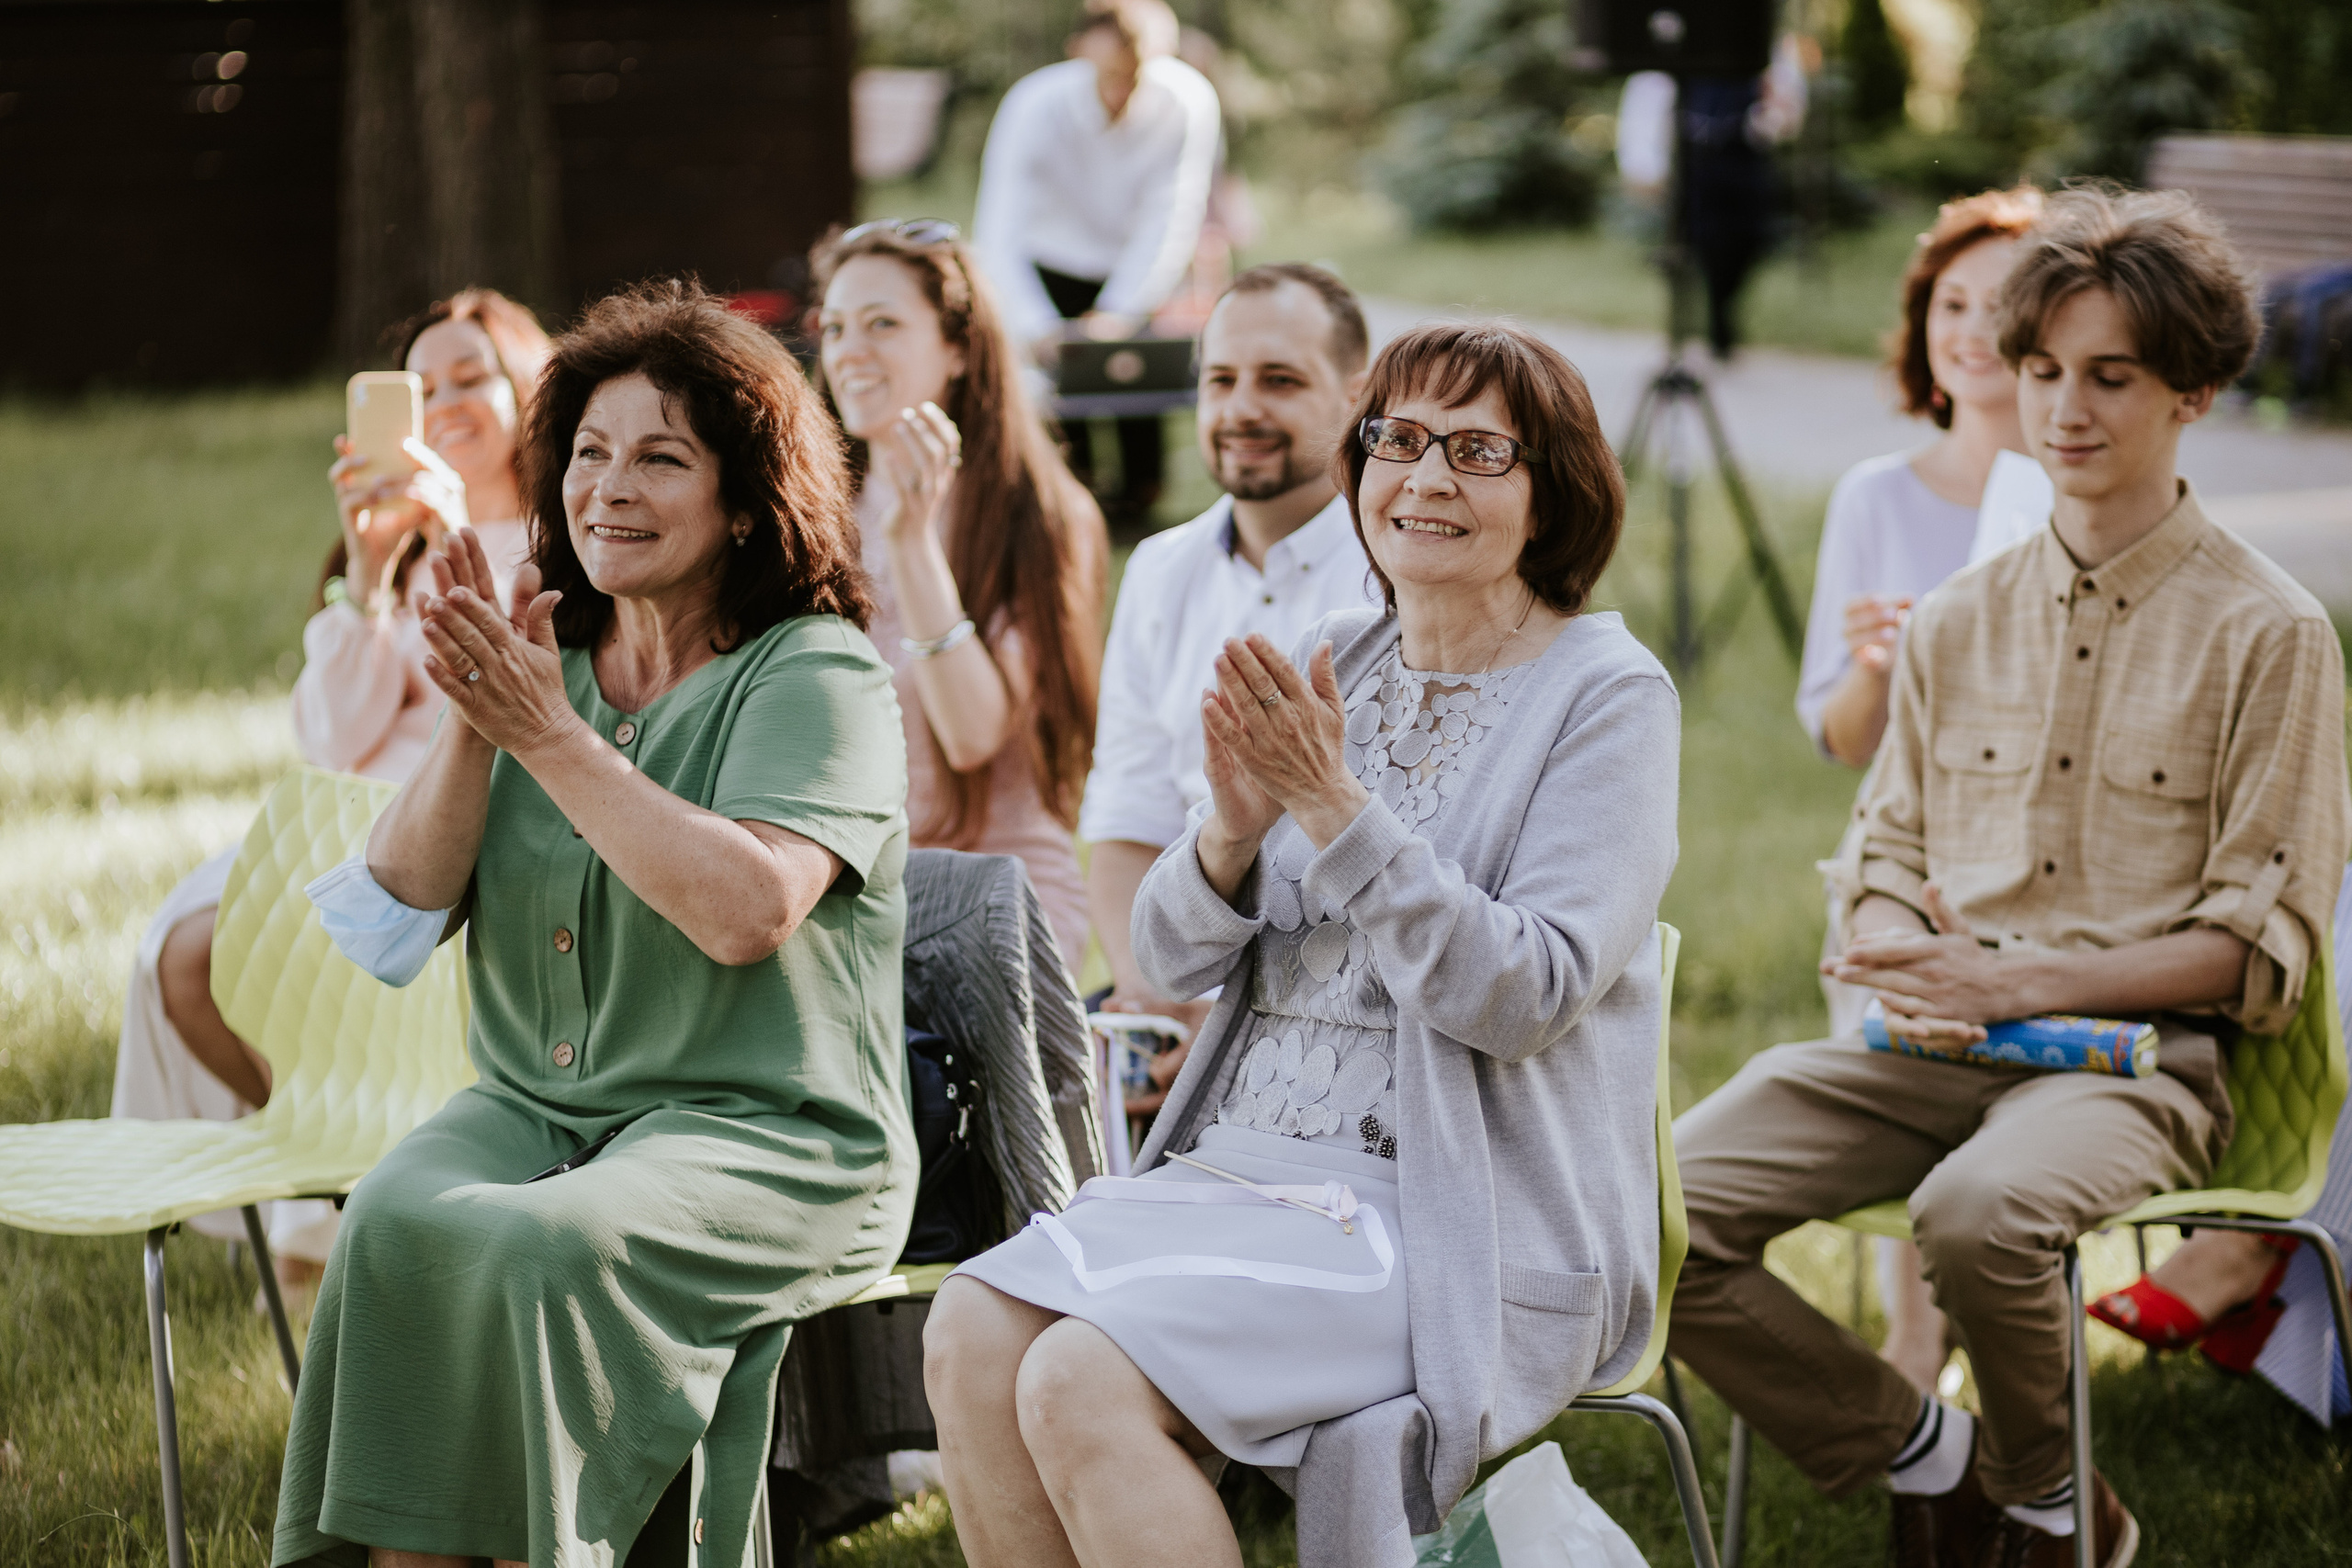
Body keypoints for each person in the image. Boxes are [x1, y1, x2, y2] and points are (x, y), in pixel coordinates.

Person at [924, 321, 1681, 1567]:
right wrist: (1230, 827)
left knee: (1079, 1374)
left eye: (1481, 450)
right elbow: (1165, 954)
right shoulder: (1337, 655)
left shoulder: (1606, 693)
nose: (1428, 478)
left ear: (1553, 493)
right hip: (1239, 1174)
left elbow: (1526, 993)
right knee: (971, 1323)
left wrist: (1335, 808)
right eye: (1399, 440)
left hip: (1451, 1214)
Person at [1668, 186, 2351, 1568]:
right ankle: (1942, 1455)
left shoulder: (2272, 632)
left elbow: (2256, 941)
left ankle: (2048, 1511)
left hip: (2136, 1065)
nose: (2064, 411)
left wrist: (2022, 976)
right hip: (1932, 1041)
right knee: (1647, 1209)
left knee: (1977, 1212)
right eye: (2043, 373)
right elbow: (1883, 849)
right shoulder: (1958, 617)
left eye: (2111, 377)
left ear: (2194, 392)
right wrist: (1884, 943)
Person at [269, 280, 915, 1567]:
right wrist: (476, 708)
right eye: (589, 452)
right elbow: (394, 913)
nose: (608, 486)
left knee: (526, 1246)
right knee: (392, 1220)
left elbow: (745, 913)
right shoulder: (544, 656)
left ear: (745, 499)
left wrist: (549, 738)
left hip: (767, 1134)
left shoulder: (819, 673)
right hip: (537, 1108)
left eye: (660, 458)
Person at [108, 288, 548, 1287]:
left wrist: (452, 550)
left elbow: (492, 710)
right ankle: (355, 1184)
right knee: (182, 956)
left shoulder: (555, 541)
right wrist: (371, 567)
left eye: (471, 377)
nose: (445, 401)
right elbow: (329, 738)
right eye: (420, 386)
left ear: (527, 387)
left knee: (221, 945)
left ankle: (399, 1202)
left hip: (457, 823)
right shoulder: (390, 549)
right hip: (352, 817)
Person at [1795, 187, 2047, 1393]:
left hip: (2056, 859)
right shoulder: (1875, 497)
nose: (1971, 326)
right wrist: (1883, 668)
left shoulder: (2081, 497)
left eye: (2001, 304)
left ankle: (2018, 1331)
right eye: (1952, 300)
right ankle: (1913, 1337)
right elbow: (1841, 740)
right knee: (1897, 1019)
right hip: (1908, 848)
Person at [1082, 262, 1378, 1050]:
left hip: (1343, 1001)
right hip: (1173, 974)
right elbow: (1127, 814)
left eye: (1279, 380)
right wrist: (1151, 1006)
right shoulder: (1159, 568)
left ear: (1357, 396)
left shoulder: (1395, 574)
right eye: (1221, 380)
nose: (1241, 409)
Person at [813, 219, 1110, 969]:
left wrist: (913, 544)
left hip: (991, 909)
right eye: (837, 326)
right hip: (840, 907)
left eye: (883, 323)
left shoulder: (1038, 517)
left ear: (956, 348)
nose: (850, 351)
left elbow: (974, 732)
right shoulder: (812, 515)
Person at [972, 0, 1220, 525]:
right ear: (1079, 50)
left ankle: (1138, 502)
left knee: (1138, 388)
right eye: (1112, 74)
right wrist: (1033, 324)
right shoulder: (1035, 103)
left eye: (1139, 74)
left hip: (1133, 265)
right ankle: (1075, 499)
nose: (1123, 90)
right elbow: (1000, 222)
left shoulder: (1188, 100)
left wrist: (1122, 311)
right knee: (1065, 393)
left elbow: (1172, 212)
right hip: (1051, 257)